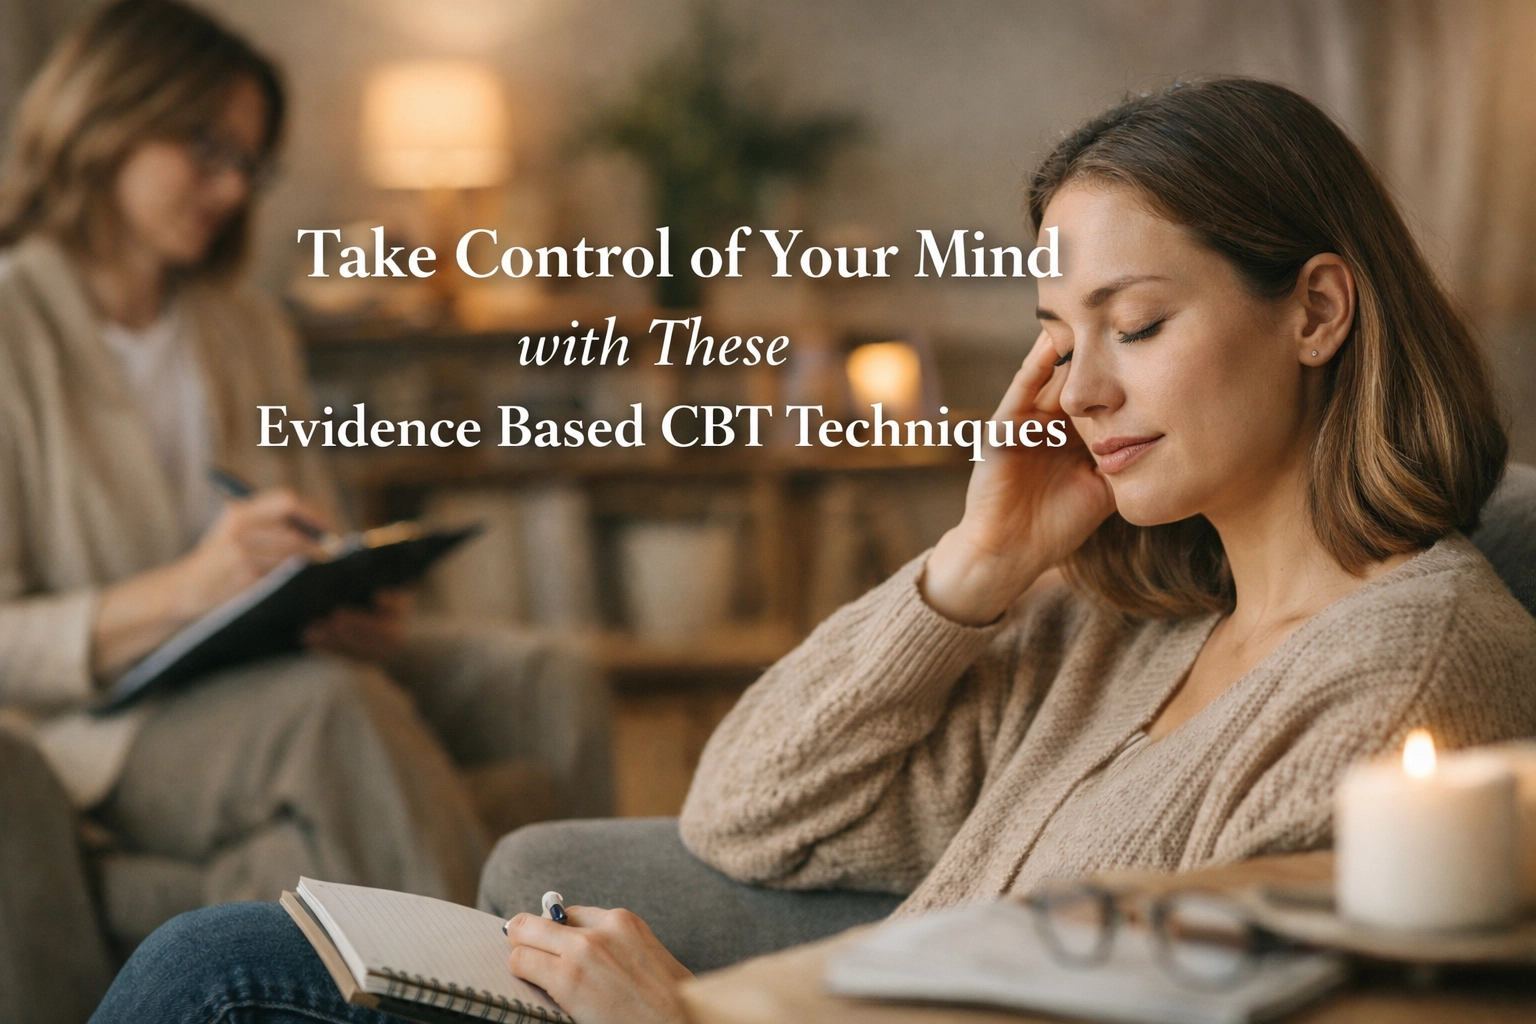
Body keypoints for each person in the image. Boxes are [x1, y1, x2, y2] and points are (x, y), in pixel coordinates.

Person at [89, 77, 1536, 1024]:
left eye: (1137, 324)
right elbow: (747, 815)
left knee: (219, 981)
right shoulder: (1119, 618)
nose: (1081, 388)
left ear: (1317, 311)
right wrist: (970, 573)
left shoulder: (1413, 683)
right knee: (222, 960)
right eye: (1055, 336)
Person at [0, 0, 610, 952]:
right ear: (106, 116)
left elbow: (303, 520)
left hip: (275, 665)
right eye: (207, 149)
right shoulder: (13, 324)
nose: (230, 187)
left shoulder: (245, 326)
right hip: (103, 724)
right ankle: (495, 994)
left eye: (249, 163)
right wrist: (188, 590)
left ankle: (589, 972)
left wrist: (345, 593)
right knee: (331, 713)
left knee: (547, 674)